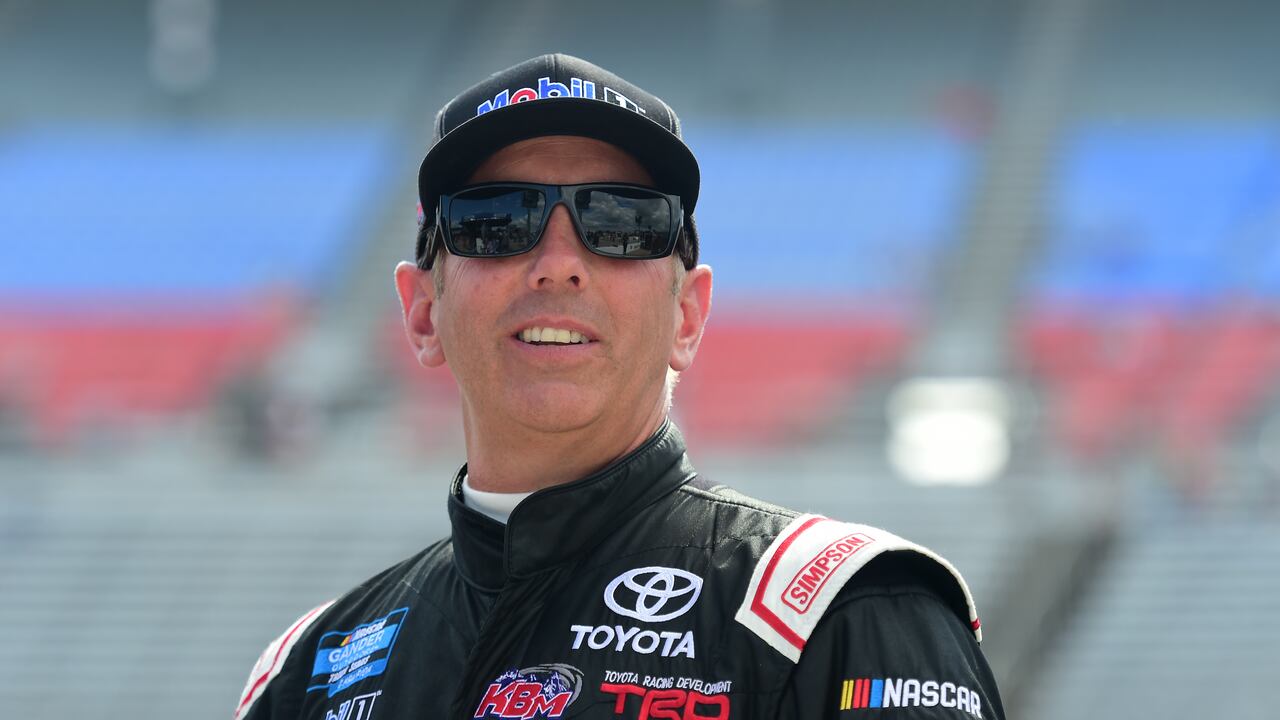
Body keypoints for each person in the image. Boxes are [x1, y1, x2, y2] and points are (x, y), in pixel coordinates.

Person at [235, 54, 1004, 720]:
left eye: (622, 222)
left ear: (688, 317)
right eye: (497, 221)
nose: (558, 262)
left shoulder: (844, 611)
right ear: (422, 313)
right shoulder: (314, 670)